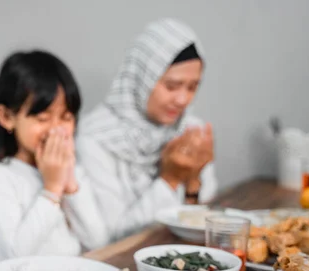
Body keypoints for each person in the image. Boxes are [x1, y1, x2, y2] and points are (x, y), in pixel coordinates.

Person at [78, 19, 217, 241]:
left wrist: (193, 180)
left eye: (192, 87)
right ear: (142, 78)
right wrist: (170, 179)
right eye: (171, 86)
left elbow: (205, 217)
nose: (183, 100)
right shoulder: (96, 138)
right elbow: (114, 235)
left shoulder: (191, 129)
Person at [0, 50, 109, 265]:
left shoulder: (69, 168)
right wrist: (52, 190)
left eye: (66, 117)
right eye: (42, 118)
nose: (56, 129)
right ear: (7, 117)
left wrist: (71, 184)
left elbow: (97, 240)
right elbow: (15, 254)